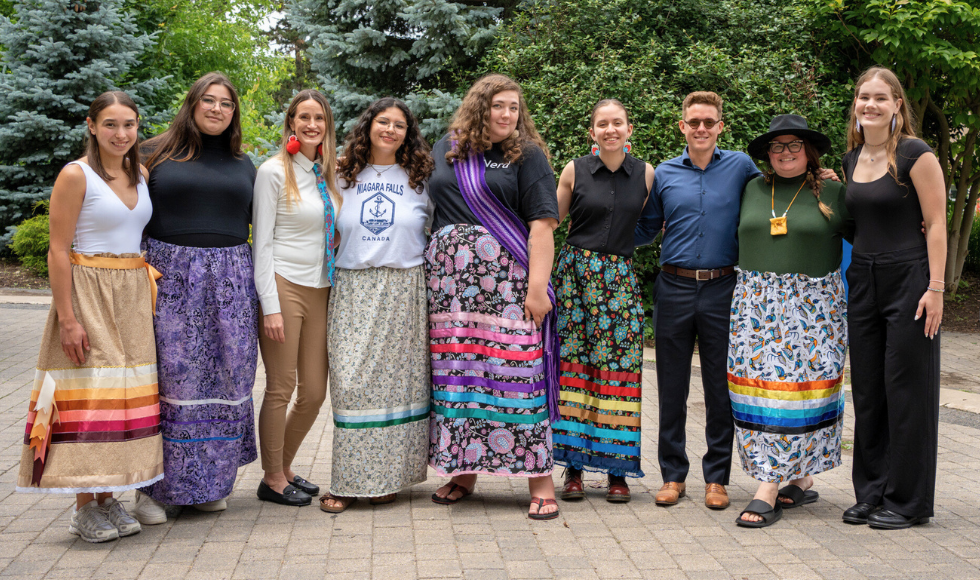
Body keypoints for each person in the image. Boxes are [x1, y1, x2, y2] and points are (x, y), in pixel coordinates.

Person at [15, 91, 162, 542]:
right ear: (92, 126)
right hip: (88, 290)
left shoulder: (140, 172)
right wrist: (67, 318)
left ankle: (109, 494)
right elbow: (57, 249)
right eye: (112, 125)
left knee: (125, 393)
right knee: (90, 391)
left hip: (132, 293)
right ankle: (83, 505)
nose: (122, 134)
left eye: (130, 124)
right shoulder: (76, 175)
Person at [426, 74, 562, 520]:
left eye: (514, 108)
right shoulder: (447, 150)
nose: (507, 115)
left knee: (516, 373)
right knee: (460, 376)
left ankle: (539, 479)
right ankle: (464, 472)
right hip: (450, 291)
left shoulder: (528, 156)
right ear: (479, 106)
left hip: (507, 285)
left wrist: (537, 288)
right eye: (498, 106)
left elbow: (543, 223)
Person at [132, 72, 259, 524]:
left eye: (226, 103)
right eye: (209, 100)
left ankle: (209, 484)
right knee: (174, 382)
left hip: (231, 282)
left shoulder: (246, 164)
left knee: (229, 378)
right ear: (192, 103)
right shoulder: (152, 152)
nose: (217, 109)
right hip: (173, 281)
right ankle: (155, 490)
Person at [634, 91, 761, 510]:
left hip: (724, 288)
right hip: (674, 287)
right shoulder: (666, 174)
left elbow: (777, 196)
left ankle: (717, 478)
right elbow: (645, 228)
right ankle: (672, 475)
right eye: (694, 122)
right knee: (671, 385)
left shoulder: (742, 166)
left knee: (718, 386)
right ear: (682, 126)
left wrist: (821, 182)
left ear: (720, 126)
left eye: (709, 122)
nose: (702, 128)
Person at [729, 115, 850, 528]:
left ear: (810, 151)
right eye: (777, 146)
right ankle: (796, 476)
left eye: (793, 145)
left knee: (799, 397)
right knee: (760, 394)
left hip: (815, 314)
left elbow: (876, 235)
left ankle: (768, 487)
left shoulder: (836, 192)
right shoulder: (751, 189)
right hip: (755, 308)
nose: (784, 153)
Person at [842, 67, 946, 530]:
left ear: (897, 104)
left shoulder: (914, 154)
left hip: (909, 279)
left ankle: (908, 501)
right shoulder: (851, 159)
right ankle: (871, 492)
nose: (870, 105)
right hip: (862, 280)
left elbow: (937, 223)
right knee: (868, 391)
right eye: (864, 97)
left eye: (880, 98)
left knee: (906, 391)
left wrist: (936, 288)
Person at [319, 97, 434, 513]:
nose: (390, 130)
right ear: (368, 126)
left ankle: (386, 479)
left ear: (408, 133)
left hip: (404, 287)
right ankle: (350, 479)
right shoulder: (342, 172)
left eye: (399, 125)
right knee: (350, 383)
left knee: (398, 386)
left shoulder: (421, 176)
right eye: (383, 122)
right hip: (353, 285)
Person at [552, 99, 653, 503]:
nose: (611, 129)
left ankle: (617, 471)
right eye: (602, 124)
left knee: (619, 370)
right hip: (575, 279)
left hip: (620, 281)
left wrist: (622, 249)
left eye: (618, 123)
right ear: (591, 131)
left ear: (629, 129)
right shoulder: (574, 169)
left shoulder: (647, 173)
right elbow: (549, 222)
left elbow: (651, 224)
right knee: (573, 368)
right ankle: (573, 470)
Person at [252, 90, 340, 507]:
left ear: (327, 125)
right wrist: (269, 304)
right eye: (303, 117)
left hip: (322, 288)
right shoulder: (273, 171)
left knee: (314, 393)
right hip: (284, 285)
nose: (311, 125)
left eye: (318, 118)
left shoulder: (325, 173)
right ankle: (271, 478)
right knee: (281, 386)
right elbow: (262, 244)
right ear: (291, 123)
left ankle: (283, 467)